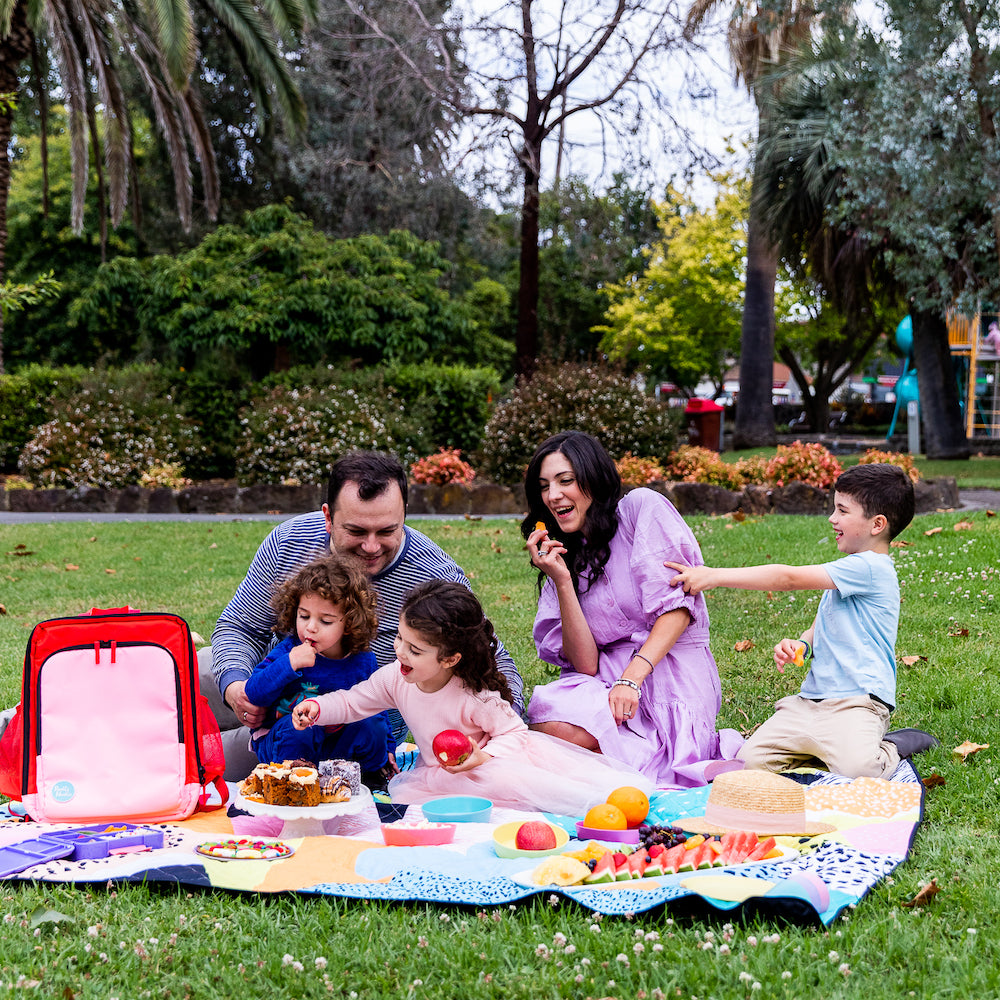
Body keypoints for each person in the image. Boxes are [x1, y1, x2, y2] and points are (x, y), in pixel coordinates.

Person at [202, 450, 525, 780]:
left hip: (351, 733)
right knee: (192, 673)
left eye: (386, 531)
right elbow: (239, 626)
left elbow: (490, 656)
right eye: (356, 531)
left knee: (203, 762)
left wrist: (497, 731)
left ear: (404, 514)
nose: (371, 546)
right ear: (328, 517)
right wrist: (235, 686)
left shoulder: (433, 574)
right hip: (277, 692)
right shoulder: (290, 542)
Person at [667, 462, 937, 778]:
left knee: (861, 771)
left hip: (856, 704)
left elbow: (787, 578)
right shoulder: (849, 569)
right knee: (749, 764)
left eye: (842, 511)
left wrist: (713, 576)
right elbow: (824, 623)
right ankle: (823, 752)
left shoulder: (871, 568)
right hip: (809, 704)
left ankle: (890, 746)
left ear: (877, 524)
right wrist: (803, 645)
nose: (832, 518)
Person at [292, 580, 652, 813]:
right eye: (400, 639)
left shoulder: (473, 696)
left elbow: (515, 733)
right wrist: (317, 708)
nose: (400, 652)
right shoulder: (396, 678)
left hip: (490, 769)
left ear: (450, 659)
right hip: (439, 774)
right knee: (421, 803)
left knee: (533, 795)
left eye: (415, 650)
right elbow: (354, 701)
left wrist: (482, 756)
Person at [520, 430, 743, 788]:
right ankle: (611, 768)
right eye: (544, 487)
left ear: (593, 478)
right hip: (604, 678)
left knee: (573, 755)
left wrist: (631, 679)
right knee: (549, 729)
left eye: (565, 481)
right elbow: (586, 665)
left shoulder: (640, 509)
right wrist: (562, 581)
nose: (553, 495)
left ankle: (622, 767)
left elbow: (678, 609)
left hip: (670, 671)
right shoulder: (565, 554)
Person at [243, 554, 394, 789]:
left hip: (338, 744)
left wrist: (389, 747)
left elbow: (377, 706)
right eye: (304, 616)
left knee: (370, 724)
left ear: (349, 624)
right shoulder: (289, 651)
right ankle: (293, 786)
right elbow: (254, 693)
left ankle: (368, 781)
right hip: (287, 743)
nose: (311, 627)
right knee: (301, 728)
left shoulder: (362, 660)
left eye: (326, 621)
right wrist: (289, 664)